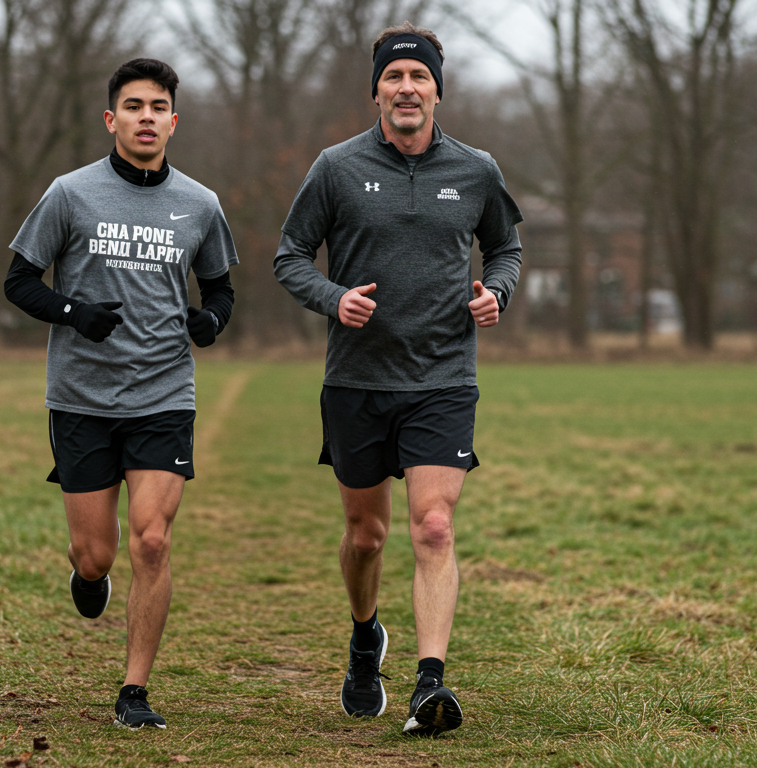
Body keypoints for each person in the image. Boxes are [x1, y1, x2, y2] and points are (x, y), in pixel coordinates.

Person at [273, 22, 523, 737]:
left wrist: (496, 293)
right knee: (366, 535)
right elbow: (289, 256)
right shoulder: (336, 167)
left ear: (438, 91)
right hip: (357, 379)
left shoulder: (476, 170)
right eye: (394, 77)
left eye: (419, 77)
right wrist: (334, 299)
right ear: (376, 91)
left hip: (443, 377)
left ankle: (429, 683)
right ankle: (364, 636)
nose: (407, 88)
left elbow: (505, 248)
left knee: (434, 527)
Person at [3, 58, 238, 730]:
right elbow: (18, 282)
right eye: (133, 106)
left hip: (164, 393)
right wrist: (73, 313)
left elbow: (220, 289)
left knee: (153, 543)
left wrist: (211, 321)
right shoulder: (69, 194)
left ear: (173, 121)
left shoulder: (201, 203)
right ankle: (87, 576)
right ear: (112, 119)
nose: (146, 117)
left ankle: (134, 692)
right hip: (81, 397)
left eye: (158, 107)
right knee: (97, 552)